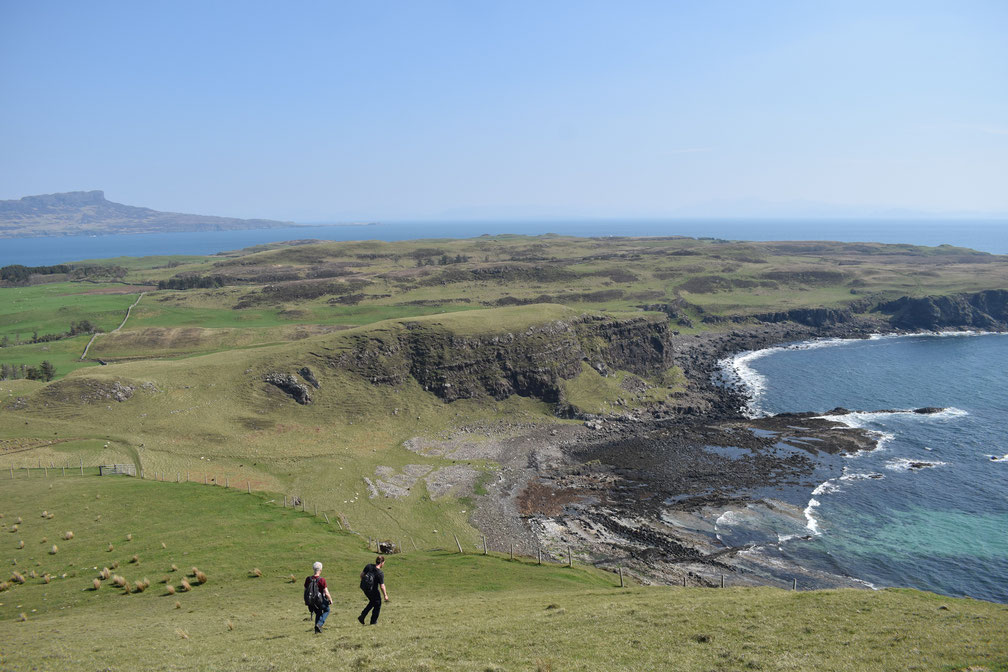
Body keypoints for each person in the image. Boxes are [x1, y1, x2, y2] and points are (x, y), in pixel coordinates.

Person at [358, 555, 389, 625]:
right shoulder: (380, 573)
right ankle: (373, 622)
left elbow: (361, 575)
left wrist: (365, 583)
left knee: (373, 602)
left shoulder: (368, 566)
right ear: (382, 562)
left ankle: (362, 616)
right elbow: (382, 586)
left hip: (365, 589)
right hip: (373, 590)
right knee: (378, 603)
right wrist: (385, 595)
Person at [304, 561, 333, 633]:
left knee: (318, 613)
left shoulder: (308, 579)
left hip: (311, 601)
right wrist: (330, 600)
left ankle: (316, 630)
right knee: (327, 610)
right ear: (320, 570)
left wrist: (306, 601)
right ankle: (319, 624)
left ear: (313, 569)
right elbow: (326, 592)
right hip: (320, 600)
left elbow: (305, 591)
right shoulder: (322, 580)